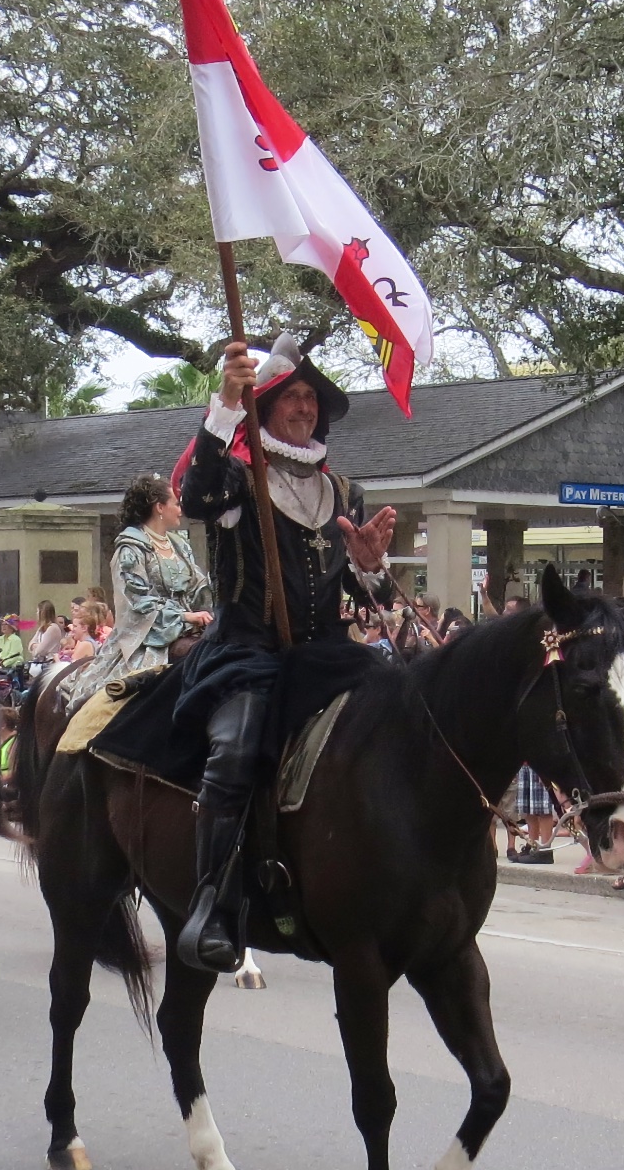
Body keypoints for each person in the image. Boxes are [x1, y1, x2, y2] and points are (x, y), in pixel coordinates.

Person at [87, 332, 398, 974]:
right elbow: (194, 496)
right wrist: (226, 405)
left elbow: (355, 589)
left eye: (313, 398)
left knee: (394, 714)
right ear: (266, 406)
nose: (305, 407)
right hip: (246, 651)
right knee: (234, 748)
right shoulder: (234, 475)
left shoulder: (339, 488)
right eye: (292, 397)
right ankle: (212, 904)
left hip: (323, 654)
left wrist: (369, 568)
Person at [60, 472, 211, 710]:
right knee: (124, 697)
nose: (181, 508)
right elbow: (137, 602)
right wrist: (183, 616)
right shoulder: (130, 549)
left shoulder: (180, 545)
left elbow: (199, 587)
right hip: (148, 636)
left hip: (190, 625)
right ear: (159, 507)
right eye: (176, 503)